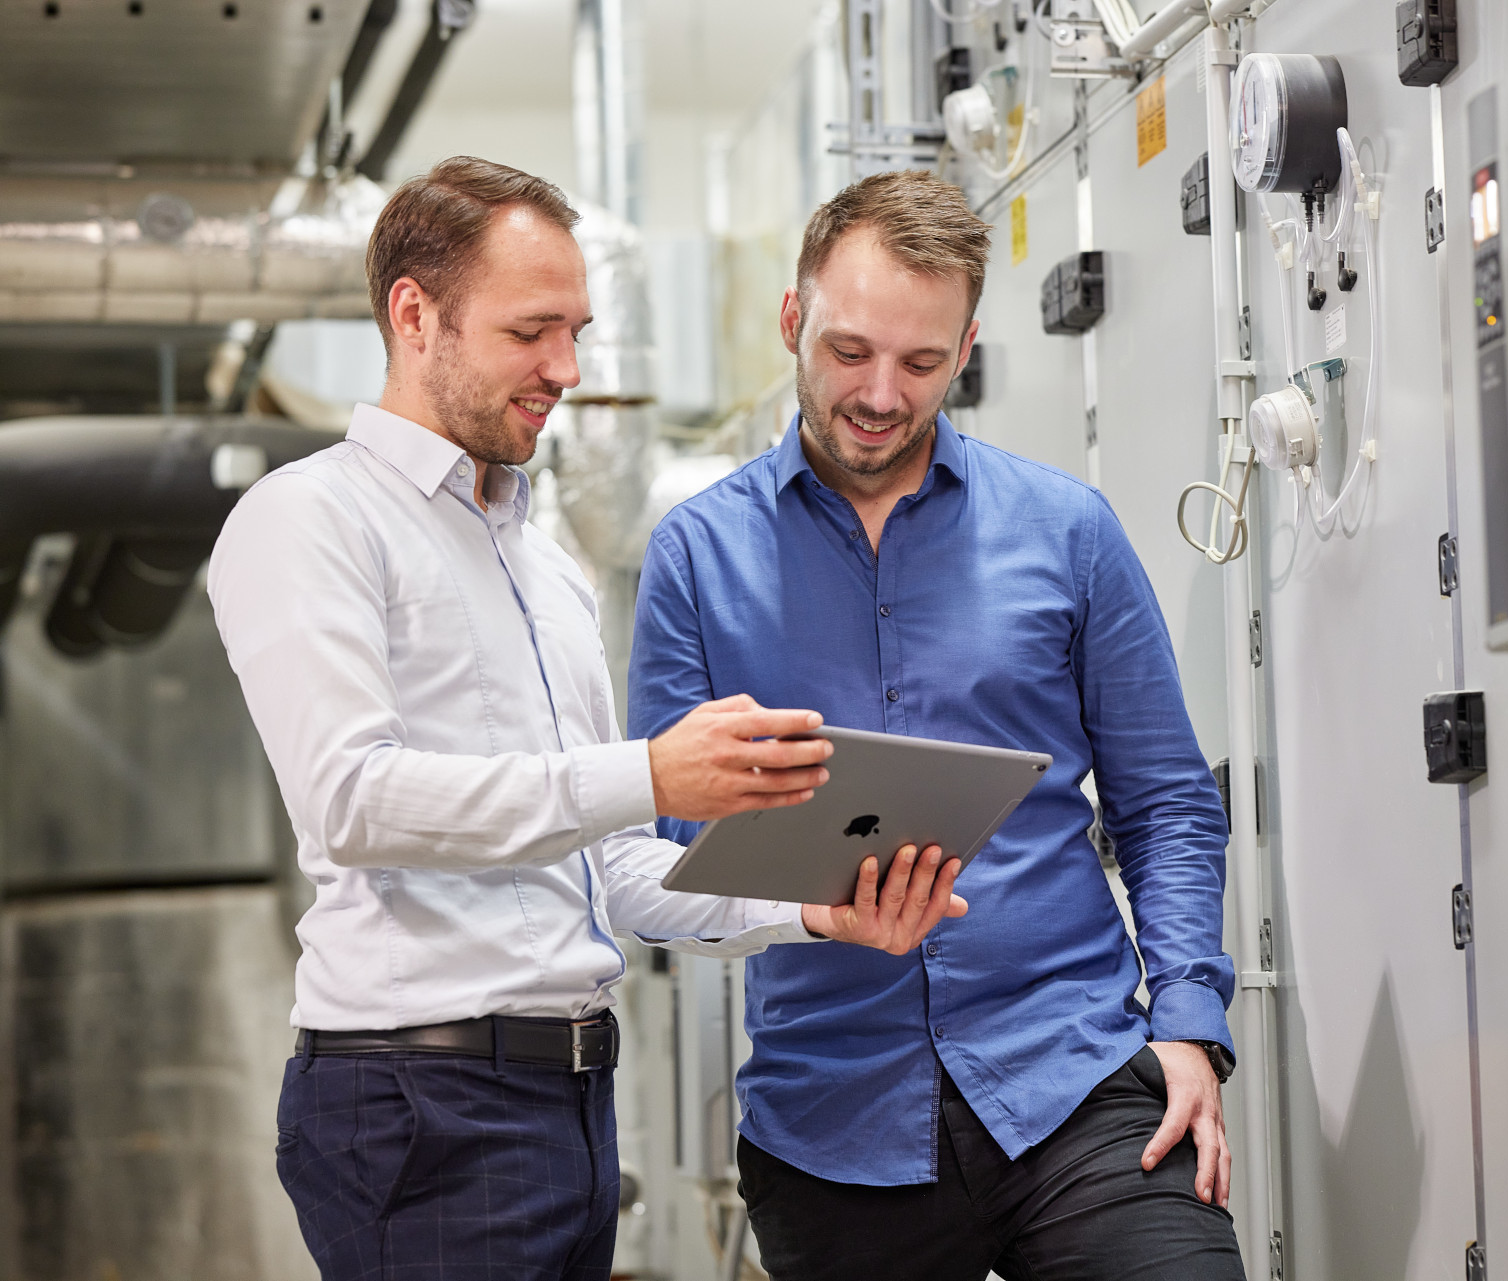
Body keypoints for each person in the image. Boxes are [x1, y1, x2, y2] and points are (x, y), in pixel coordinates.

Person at [207, 156, 965, 1281]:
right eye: (533, 331)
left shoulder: (547, 568)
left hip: (569, 1102)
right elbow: (353, 801)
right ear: (414, 315)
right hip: (418, 1101)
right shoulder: (310, 520)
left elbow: (617, 878)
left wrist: (814, 910)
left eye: (578, 329)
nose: (567, 368)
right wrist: (651, 776)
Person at [631, 169, 1245, 1280]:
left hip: (1078, 1081)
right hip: (832, 1120)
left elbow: (1165, 804)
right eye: (849, 352)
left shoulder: (1068, 532)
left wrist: (1190, 1025)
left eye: (920, 363)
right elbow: (667, 862)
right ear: (792, 320)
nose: (879, 393)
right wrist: (808, 909)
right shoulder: (695, 560)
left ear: (966, 350)